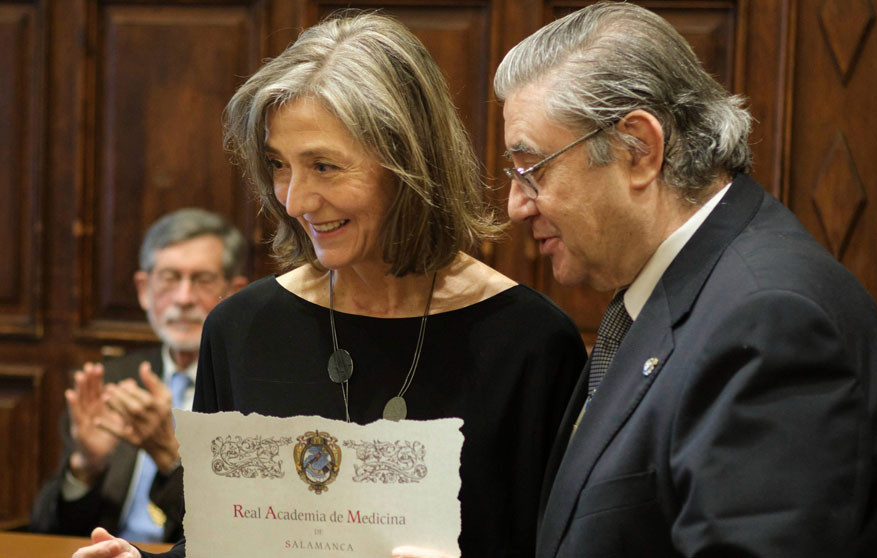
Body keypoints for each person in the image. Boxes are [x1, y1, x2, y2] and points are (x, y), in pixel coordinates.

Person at [71, 11, 585, 558]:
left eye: (323, 166)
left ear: (409, 164)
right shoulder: (241, 329)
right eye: (278, 164)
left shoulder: (530, 342)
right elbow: (220, 543)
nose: (294, 200)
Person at [493, 2, 877, 557]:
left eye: (532, 169)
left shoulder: (771, 322)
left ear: (639, 149)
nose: (516, 205)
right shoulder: (686, 289)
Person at [32, 208, 248, 543]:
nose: (184, 298)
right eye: (169, 278)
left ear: (235, 293)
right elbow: (45, 530)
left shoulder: (253, 390)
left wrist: (170, 459)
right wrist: (86, 467)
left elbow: (239, 532)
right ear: (144, 289)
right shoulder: (112, 381)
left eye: (203, 280)